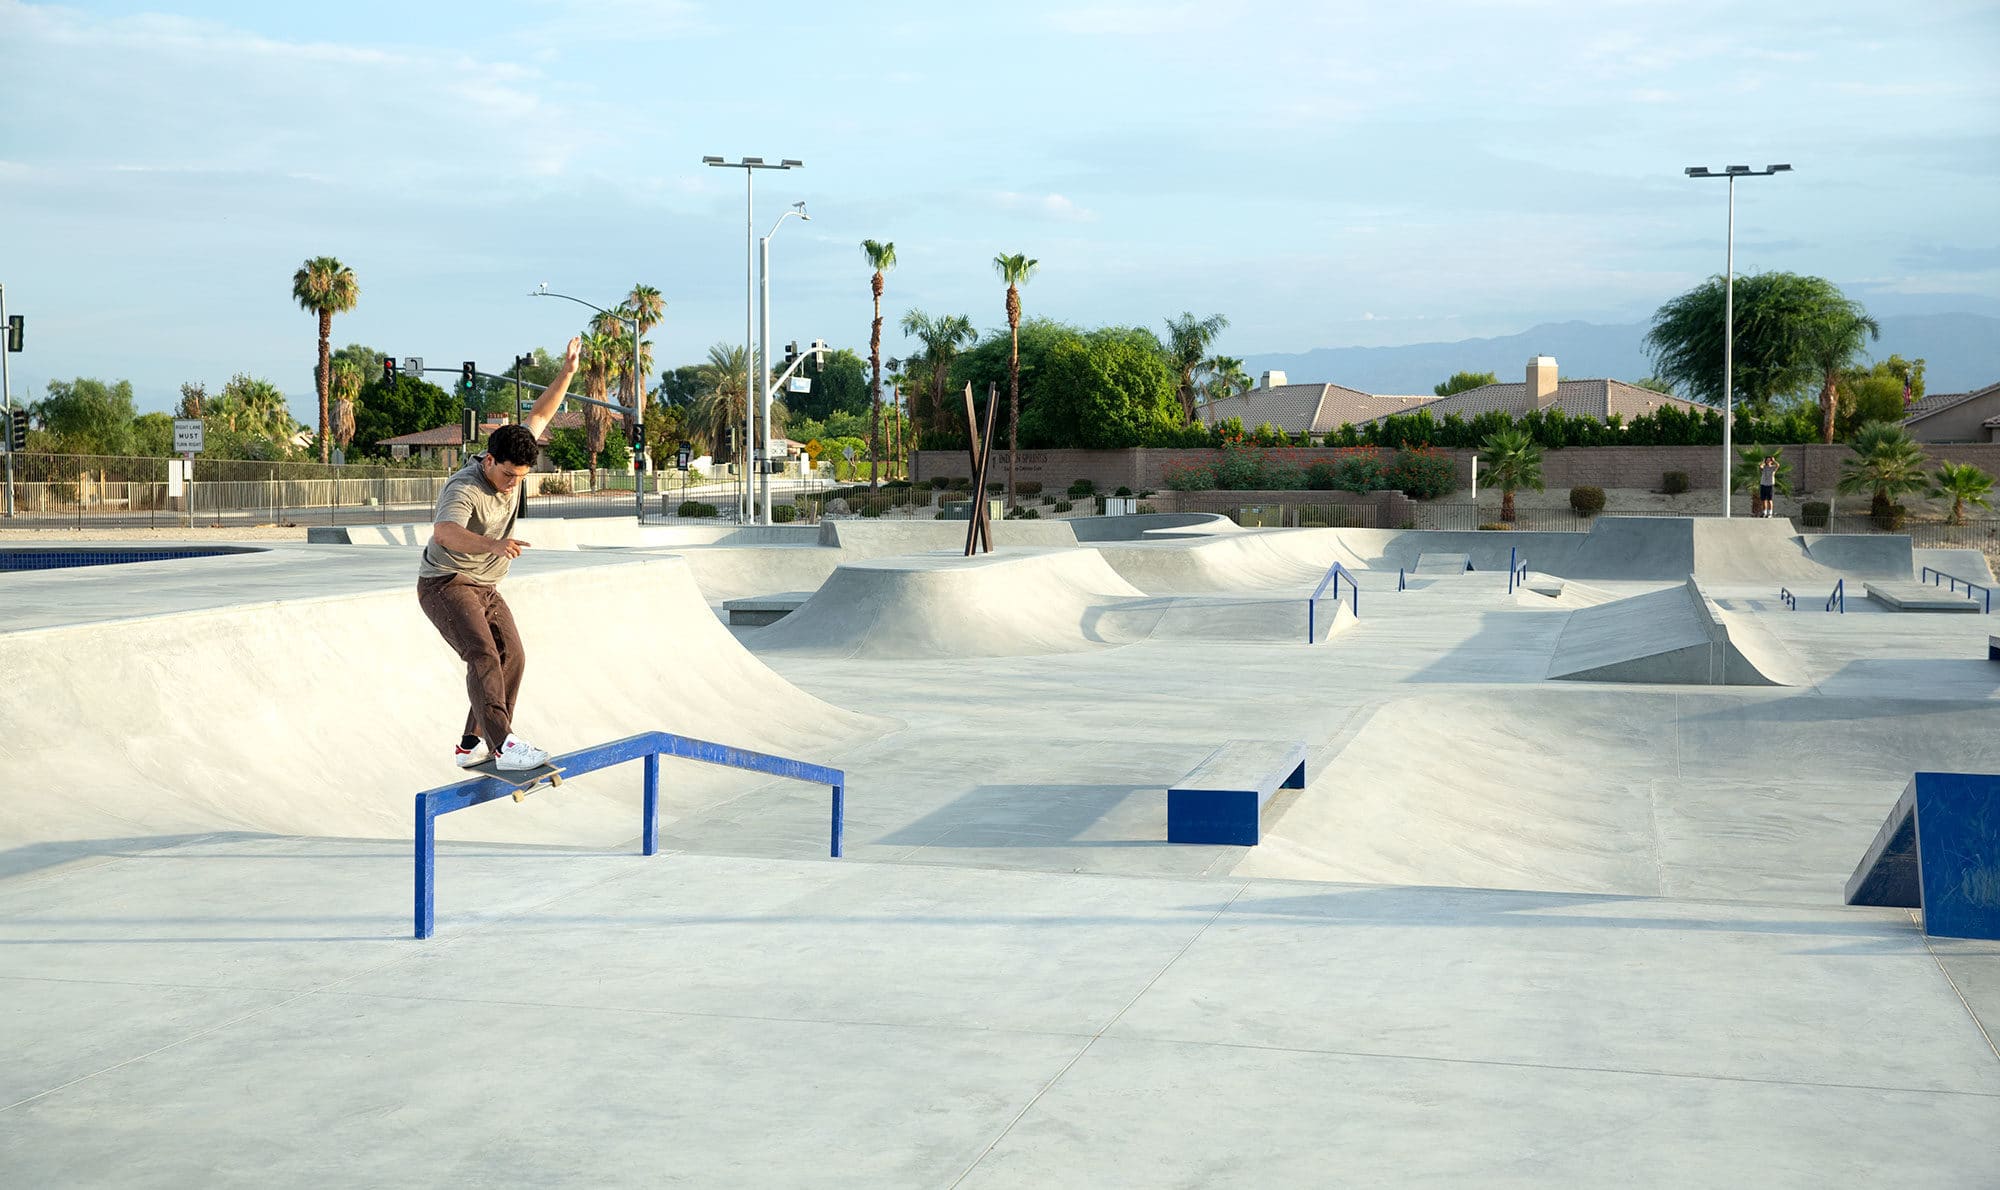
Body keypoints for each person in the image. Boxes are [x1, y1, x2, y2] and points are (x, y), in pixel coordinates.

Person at [417, 336, 582, 770]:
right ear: (489, 460)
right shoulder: (464, 486)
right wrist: (494, 544)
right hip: (445, 584)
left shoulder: (515, 453)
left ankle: (472, 742)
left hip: (485, 585)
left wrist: (565, 373)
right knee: (483, 655)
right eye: (508, 475)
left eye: (521, 477)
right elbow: (445, 532)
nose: (513, 483)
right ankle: (503, 744)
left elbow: (542, 413)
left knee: (513, 655)